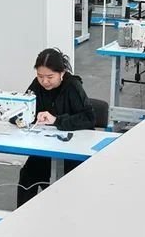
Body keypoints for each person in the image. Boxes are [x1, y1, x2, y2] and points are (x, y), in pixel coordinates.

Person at [16, 48, 96, 206]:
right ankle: (21, 214)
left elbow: (89, 118)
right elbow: (23, 106)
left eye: (50, 77)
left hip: (74, 148)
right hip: (47, 145)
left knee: (68, 180)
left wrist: (56, 120)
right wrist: (20, 117)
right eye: (40, 76)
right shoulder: (37, 85)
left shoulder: (72, 86)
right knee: (28, 175)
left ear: (62, 73)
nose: (44, 81)